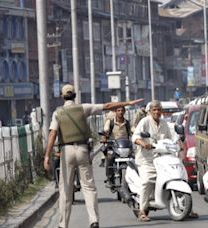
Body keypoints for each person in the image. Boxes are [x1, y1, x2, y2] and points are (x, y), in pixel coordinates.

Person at [43, 84, 143, 228]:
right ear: (75, 95)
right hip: (83, 150)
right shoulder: (84, 108)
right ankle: (93, 220)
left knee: (65, 189)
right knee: (89, 187)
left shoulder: (57, 113)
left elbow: (52, 133)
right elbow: (107, 105)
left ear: (62, 96)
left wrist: (47, 156)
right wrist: (127, 103)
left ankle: (63, 224)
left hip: (66, 151)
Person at [132, 100, 173, 222]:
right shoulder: (144, 122)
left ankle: (185, 207)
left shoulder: (164, 124)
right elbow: (135, 137)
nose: (157, 112)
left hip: (161, 158)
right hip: (146, 159)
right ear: (149, 111)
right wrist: (143, 144)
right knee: (146, 181)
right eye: (154, 110)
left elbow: (170, 139)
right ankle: (142, 211)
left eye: (159, 109)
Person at [103, 106, 133, 188]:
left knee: (134, 160)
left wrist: (137, 133)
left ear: (124, 112)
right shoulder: (111, 122)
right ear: (115, 112)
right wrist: (104, 136)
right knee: (109, 159)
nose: (120, 112)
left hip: (125, 147)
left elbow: (132, 131)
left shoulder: (127, 123)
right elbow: (105, 131)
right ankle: (109, 178)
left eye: (122, 110)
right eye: (118, 110)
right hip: (113, 146)